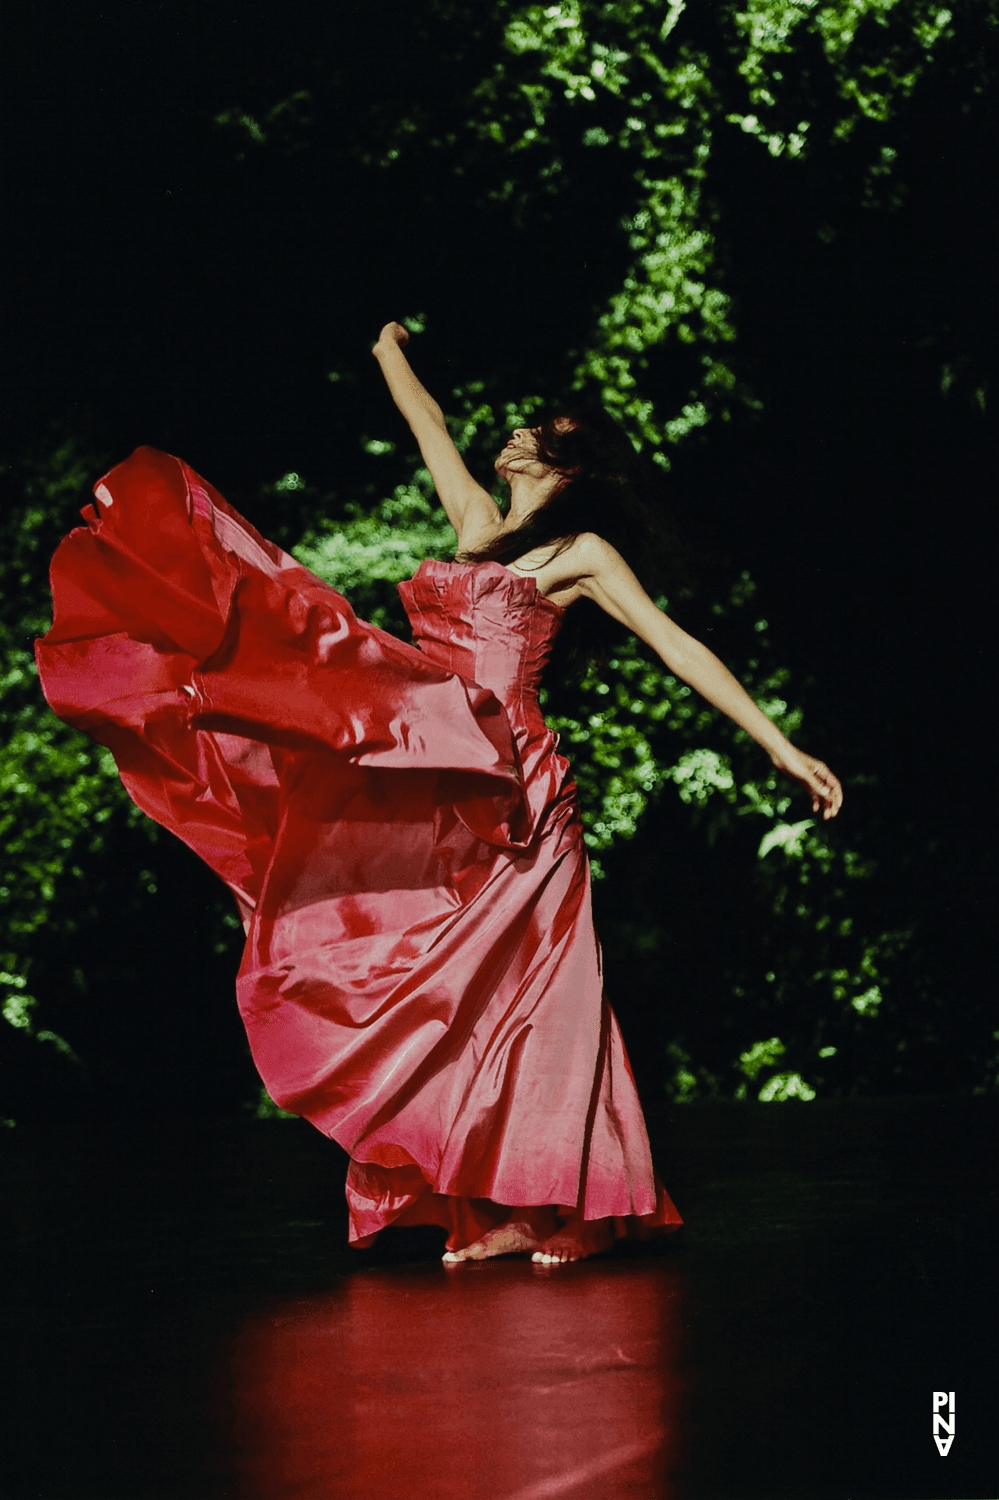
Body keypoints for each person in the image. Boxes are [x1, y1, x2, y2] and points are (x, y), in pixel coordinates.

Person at [35, 323, 842, 1268]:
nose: (515, 437)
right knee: (454, 995)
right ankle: (496, 1205)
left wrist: (779, 746)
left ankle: (578, 1207)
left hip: (515, 790)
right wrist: (385, 351)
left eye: (539, 431)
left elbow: (676, 647)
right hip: (432, 773)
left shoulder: (580, 552)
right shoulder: (473, 524)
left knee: (548, 997)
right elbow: (426, 424)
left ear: (566, 460)